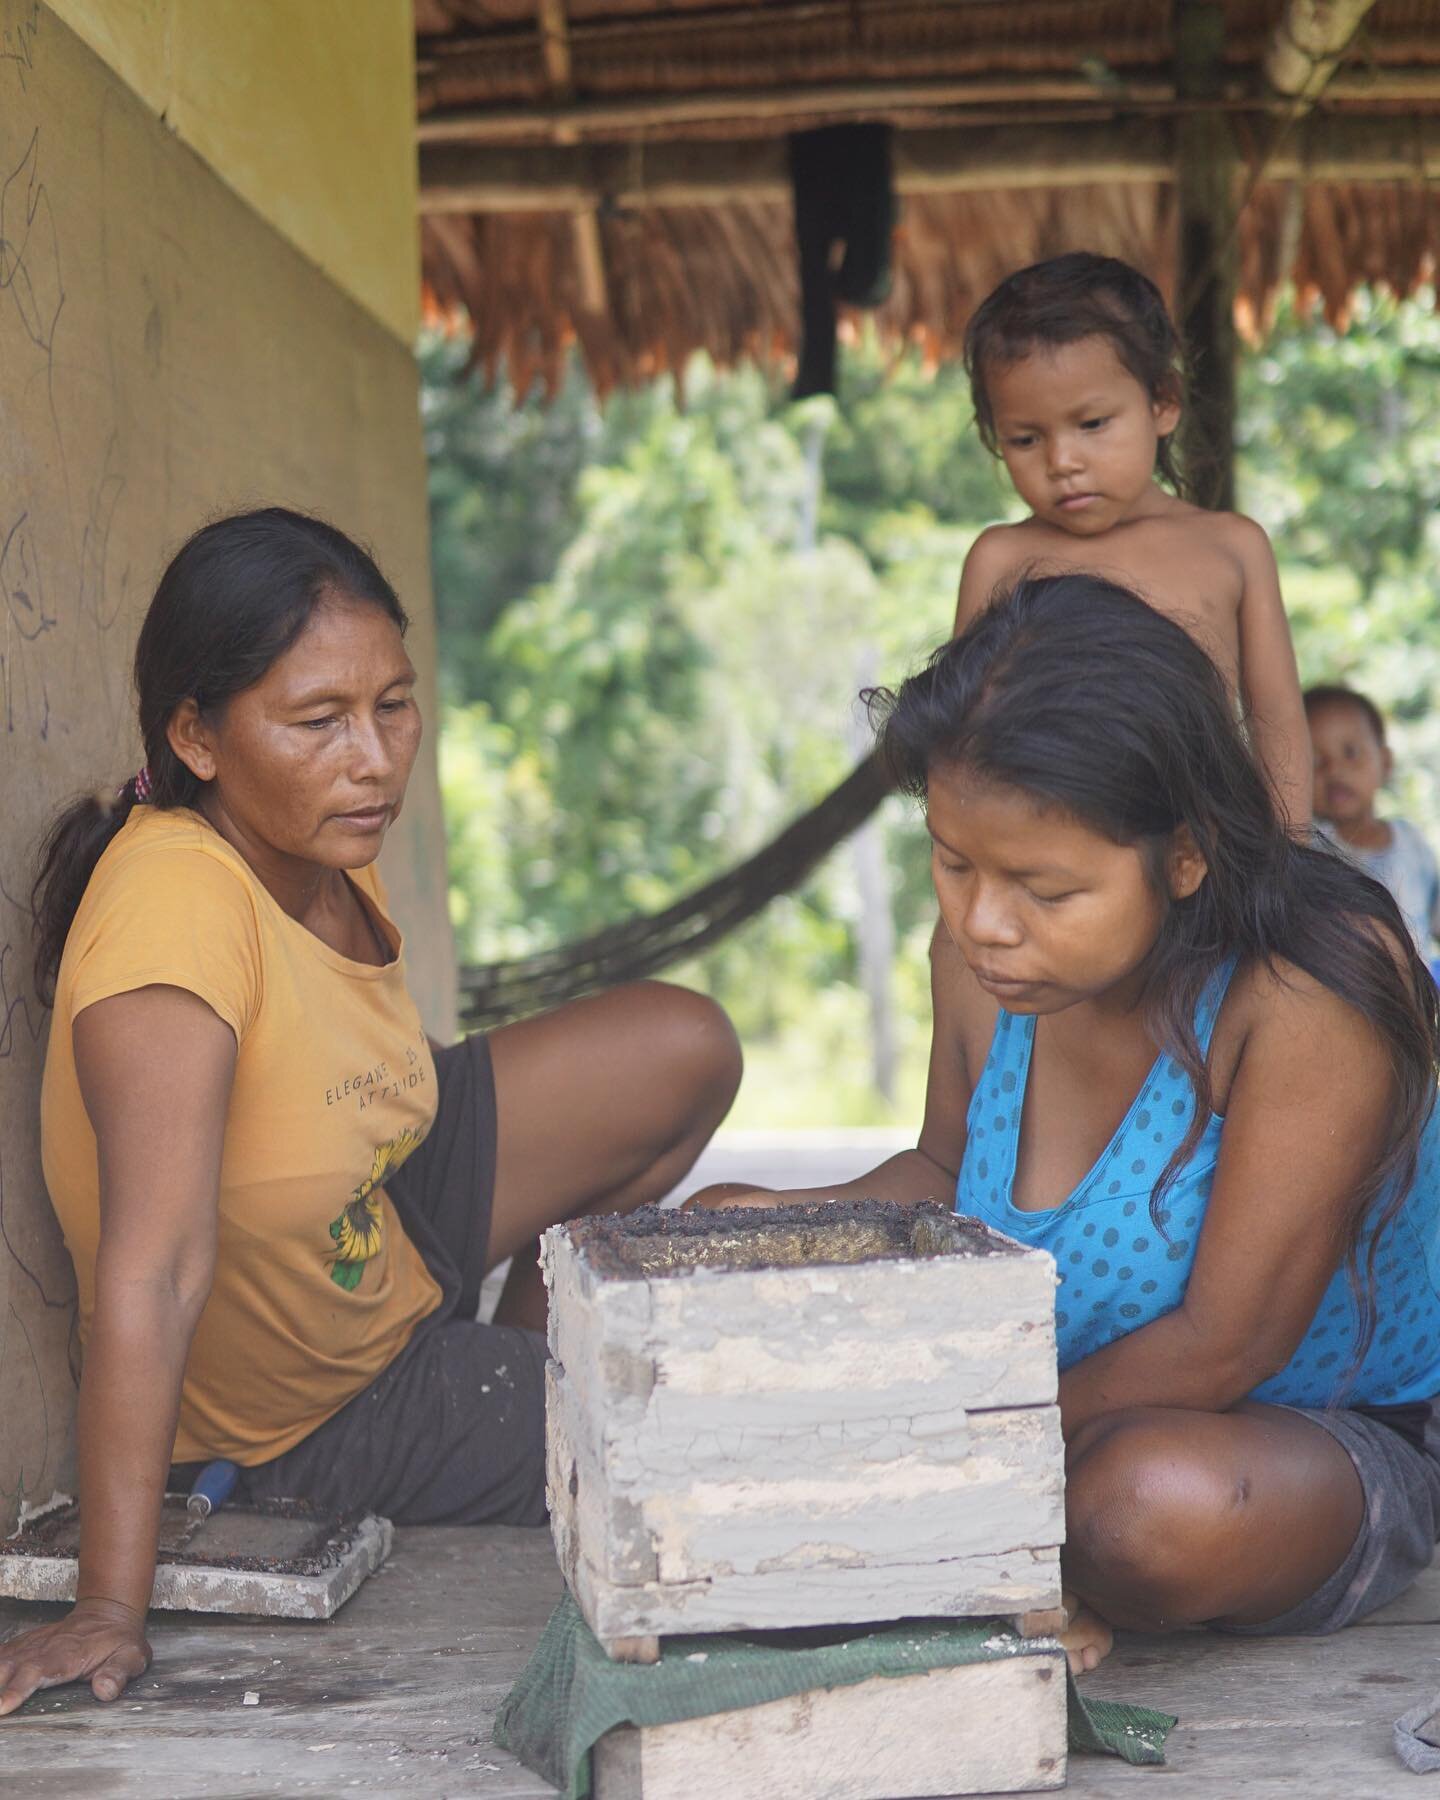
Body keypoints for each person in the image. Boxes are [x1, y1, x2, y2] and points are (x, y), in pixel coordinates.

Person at [0, 507, 741, 1717]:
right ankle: (507, 1387)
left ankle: (522, 1345)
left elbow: (360, 1067)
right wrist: (106, 1606)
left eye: (393, 705)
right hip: (309, 1411)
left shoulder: (318, 830)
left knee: (682, 1047)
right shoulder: (172, 919)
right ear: (196, 735)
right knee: (678, 1426)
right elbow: (153, 1269)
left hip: (383, 1192)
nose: (375, 758)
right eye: (319, 722)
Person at [695, 574, 1440, 1674]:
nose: (984, 923)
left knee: (1140, 1511)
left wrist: (946, 1451)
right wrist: (758, 1229)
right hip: (1036, 1400)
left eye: (1045, 891)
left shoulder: (1299, 991)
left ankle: (992, 1552)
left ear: (1183, 853)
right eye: (953, 865)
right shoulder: (978, 953)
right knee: (716, 1242)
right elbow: (950, 1173)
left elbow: (1229, 1343)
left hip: (1301, 1431)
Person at [953, 252, 1310, 829]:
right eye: (1024, 439)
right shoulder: (1000, 559)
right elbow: (965, 736)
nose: (1062, 461)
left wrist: (1289, 862)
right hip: (1053, 863)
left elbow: (1277, 723)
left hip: (1207, 857)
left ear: (1162, 401)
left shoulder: (1231, 547)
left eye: (1092, 424)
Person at [1307, 682, 1440, 963]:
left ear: (1385, 762)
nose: (1334, 769)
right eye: (1315, 760)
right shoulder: (1309, 849)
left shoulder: (1411, 841)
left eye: (1351, 752)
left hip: (1416, 1001)